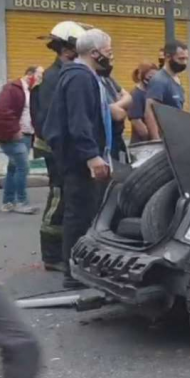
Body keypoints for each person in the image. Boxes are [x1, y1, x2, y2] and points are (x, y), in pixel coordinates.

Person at [0, 41, 43, 378]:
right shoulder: (14, 91)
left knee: (21, 346)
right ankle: (14, 199)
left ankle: (13, 200)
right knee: (20, 345)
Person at [42, 29, 115, 289]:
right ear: (95, 53)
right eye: (108, 51)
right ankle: (74, 275)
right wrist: (92, 157)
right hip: (79, 161)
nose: (111, 55)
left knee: (85, 213)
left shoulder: (84, 76)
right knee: (80, 216)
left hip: (79, 158)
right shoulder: (80, 78)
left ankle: (81, 269)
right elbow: (79, 121)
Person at [30, 21, 89, 272]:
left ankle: (65, 249)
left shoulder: (63, 74)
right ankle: (52, 254)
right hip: (55, 149)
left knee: (68, 198)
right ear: (68, 49)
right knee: (58, 197)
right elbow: (50, 119)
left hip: (62, 147)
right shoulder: (53, 78)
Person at [0, 66, 43, 214]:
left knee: (13, 168)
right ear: (29, 74)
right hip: (13, 136)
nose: (40, 79)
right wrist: (14, 131)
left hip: (26, 135)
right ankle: (21, 202)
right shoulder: (12, 89)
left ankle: (8, 202)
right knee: (23, 167)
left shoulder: (31, 91)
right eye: (39, 75)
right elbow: (2, 111)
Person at [145, 40, 190, 140]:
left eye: (186, 59)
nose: (184, 63)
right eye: (181, 59)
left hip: (174, 135)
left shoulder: (176, 79)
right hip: (164, 138)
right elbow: (149, 112)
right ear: (168, 57)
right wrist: (156, 140)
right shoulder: (159, 80)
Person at [129, 63, 158, 143]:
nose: (153, 80)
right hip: (142, 145)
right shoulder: (136, 95)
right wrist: (152, 138)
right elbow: (137, 123)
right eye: (150, 77)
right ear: (141, 76)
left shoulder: (152, 93)